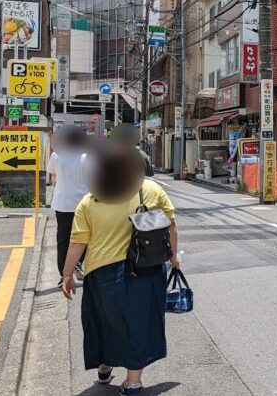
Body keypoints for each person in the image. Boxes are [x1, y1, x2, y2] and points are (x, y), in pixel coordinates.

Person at [61, 142, 179, 396]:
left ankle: (104, 366)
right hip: (146, 269)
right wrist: (175, 260)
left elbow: (77, 242)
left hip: (101, 272)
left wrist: (67, 274)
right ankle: (133, 382)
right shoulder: (150, 189)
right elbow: (171, 225)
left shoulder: (90, 200)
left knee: (102, 320)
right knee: (140, 323)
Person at [47, 126, 91, 283]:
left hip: (62, 203)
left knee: (63, 239)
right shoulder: (86, 158)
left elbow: (52, 172)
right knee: (83, 237)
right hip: (82, 205)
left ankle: (63, 274)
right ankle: (78, 263)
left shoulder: (57, 156)